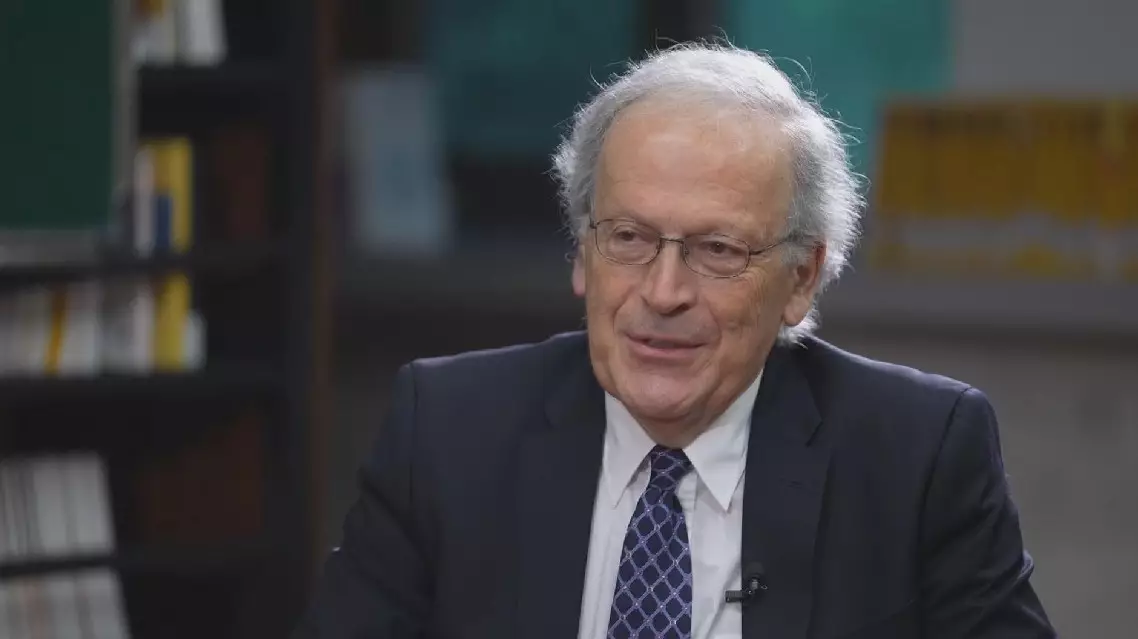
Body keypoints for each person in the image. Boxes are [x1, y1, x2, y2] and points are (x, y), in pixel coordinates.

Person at [293, 43, 1056, 639]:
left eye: (718, 249)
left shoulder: (918, 454)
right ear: (583, 252)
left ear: (800, 279)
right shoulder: (447, 430)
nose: (663, 293)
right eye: (628, 237)